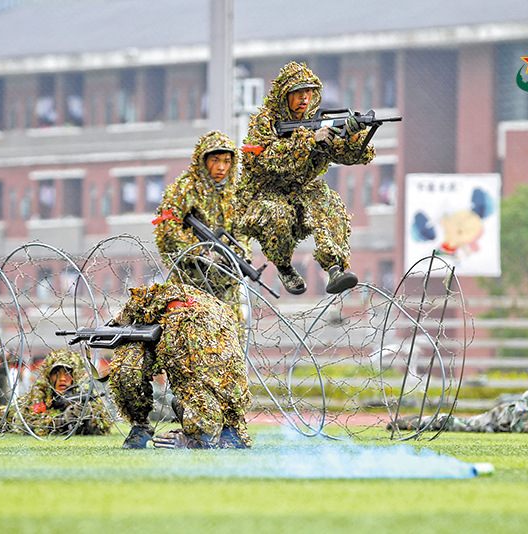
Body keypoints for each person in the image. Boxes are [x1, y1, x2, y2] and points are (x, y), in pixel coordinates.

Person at [236, 61, 375, 295]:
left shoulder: (320, 121)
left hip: (301, 193)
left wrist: (352, 137)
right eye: (298, 93)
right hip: (263, 196)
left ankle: (334, 269)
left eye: (308, 93)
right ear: (284, 95)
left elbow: (353, 156)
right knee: (277, 214)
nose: (304, 98)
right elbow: (265, 161)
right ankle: (283, 266)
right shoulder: (265, 123)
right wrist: (310, 141)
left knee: (328, 201)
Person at [108, 281, 252, 450]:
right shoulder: (197, 311)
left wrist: (189, 441)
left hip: (211, 396)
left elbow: (175, 355)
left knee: (201, 422)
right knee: (128, 368)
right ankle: (141, 426)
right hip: (206, 394)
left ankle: (207, 433)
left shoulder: (191, 327)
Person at [152, 130, 250, 310]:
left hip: (225, 283)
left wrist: (238, 257)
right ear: (203, 161)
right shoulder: (186, 189)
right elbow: (168, 227)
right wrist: (200, 253)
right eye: (215, 161)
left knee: (229, 331)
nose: (221, 168)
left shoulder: (235, 193)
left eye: (227, 162)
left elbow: (241, 231)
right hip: (191, 280)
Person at [0, 349, 112, 436]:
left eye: (68, 374)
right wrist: (63, 420)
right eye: (57, 373)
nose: (63, 379)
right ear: (49, 376)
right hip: (7, 417)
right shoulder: (41, 390)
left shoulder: (83, 393)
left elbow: (104, 426)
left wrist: (87, 417)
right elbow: (29, 425)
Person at [389, 370, 528, 433]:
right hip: (498, 420)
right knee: (458, 424)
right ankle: (414, 422)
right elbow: (518, 428)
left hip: (511, 423)